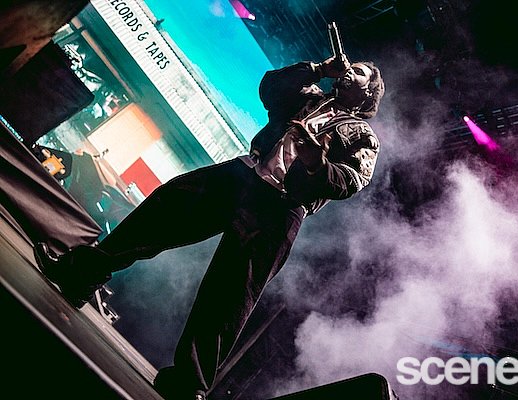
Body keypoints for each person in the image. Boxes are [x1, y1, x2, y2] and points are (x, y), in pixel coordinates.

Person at [34, 56, 385, 399]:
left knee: (230, 292)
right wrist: (318, 69)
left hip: (279, 209)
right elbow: (270, 88)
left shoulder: (363, 136)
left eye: (358, 72)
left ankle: (189, 383)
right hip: (244, 174)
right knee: (164, 210)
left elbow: (349, 182)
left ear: (368, 93)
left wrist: (316, 163)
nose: (348, 71)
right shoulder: (310, 96)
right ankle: (81, 275)